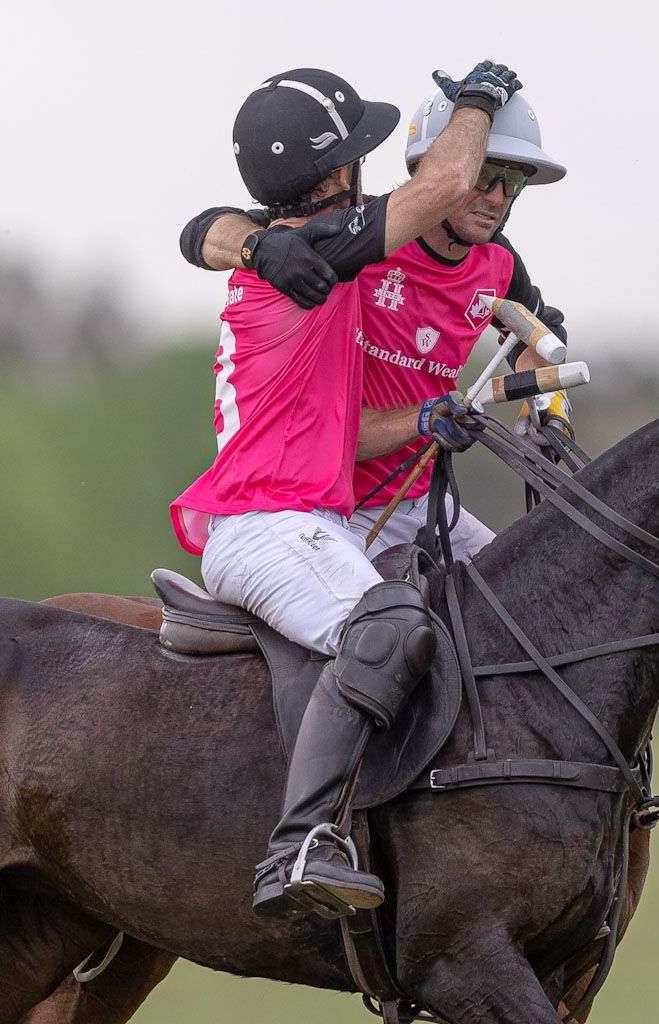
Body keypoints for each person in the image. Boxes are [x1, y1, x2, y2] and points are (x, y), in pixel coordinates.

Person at [171, 63, 523, 918]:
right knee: (393, 626)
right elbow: (444, 182)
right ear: (335, 176)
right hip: (265, 523)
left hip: (299, 515)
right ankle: (300, 845)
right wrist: (478, 98)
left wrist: (429, 415)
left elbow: (197, 230)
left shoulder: (288, 250)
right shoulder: (321, 254)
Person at [180, 86, 569, 560]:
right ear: (442, 164)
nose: (496, 197)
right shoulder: (358, 237)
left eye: (513, 181)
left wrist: (547, 403)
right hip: (336, 505)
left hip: (423, 500)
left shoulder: (500, 263)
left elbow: (540, 333)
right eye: (484, 174)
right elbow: (204, 229)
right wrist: (256, 247)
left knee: (536, 598)